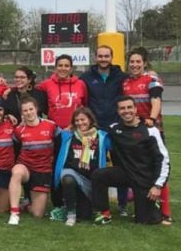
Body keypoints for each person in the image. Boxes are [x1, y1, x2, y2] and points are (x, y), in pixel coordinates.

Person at [90, 96, 170, 225]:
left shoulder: (150, 130)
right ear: (118, 111)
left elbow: (163, 159)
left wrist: (157, 186)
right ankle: (103, 213)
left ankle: (153, 206)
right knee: (99, 175)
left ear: (135, 109)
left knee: (144, 221)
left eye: (129, 107)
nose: (126, 111)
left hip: (144, 178)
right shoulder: (114, 128)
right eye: (122, 108)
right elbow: (94, 132)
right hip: (124, 173)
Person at [122, 48, 171, 224]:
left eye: (138, 62)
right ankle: (146, 205)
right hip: (134, 132)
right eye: (132, 62)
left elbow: (156, 101)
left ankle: (165, 212)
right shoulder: (126, 82)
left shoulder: (152, 79)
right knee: (140, 169)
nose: (134, 65)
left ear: (144, 63)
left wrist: (151, 118)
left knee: (158, 170)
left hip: (151, 130)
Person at [53, 107, 111, 226]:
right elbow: (50, 128)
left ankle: (87, 207)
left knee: (85, 215)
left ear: (90, 119)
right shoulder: (67, 136)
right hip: (72, 174)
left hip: (91, 180)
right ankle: (70, 214)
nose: (80, 123)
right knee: (67, 178)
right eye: (77, 120)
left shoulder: (102, 137)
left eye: (83, 119)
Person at [7, 97, 60, 225]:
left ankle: (26, 205)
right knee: (17, 171)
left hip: (43, 170)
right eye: (25, 110)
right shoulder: (19, 131)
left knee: (38, 214)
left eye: (31, 109)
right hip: (25, 167)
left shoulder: (51, 125)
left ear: (36, 109)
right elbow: (16, 149)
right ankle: (14, 213)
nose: (29, 112)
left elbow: (59, 146)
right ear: (22, 113)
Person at [36, 54, 88, 129]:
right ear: (55, 68)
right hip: (54, 129)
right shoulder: (47, 84)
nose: (63, 68)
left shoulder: (80, 84)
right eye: (60, 65)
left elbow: (85, 105)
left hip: (76, 128)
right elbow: (31, 90)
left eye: (66, 66)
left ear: (71, 69)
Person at [80, 45, 126, 129]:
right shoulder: (85, 77)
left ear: (112, 57)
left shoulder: (122, 76)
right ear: (96, 58)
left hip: (117, 124)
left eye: (106, 56)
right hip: (94, 126)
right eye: (100, 56)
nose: (103, 59)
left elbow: (136, 78)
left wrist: (149, 74)